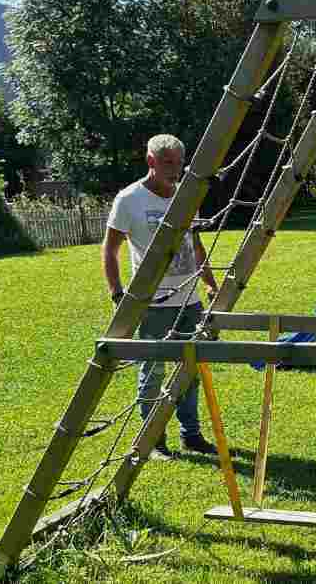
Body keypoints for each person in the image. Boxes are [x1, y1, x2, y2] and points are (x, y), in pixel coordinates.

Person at [103, 134, 219, 460]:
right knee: (152, 372)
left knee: (190, 369)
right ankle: (153, 440)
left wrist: (210, 283)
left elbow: (195, 247)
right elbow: (110, 249)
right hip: (153, 304)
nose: (175, 169)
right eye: (167, 162)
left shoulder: (187, 196)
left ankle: (191, 435)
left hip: (189, 301)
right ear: (151, 161)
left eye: (179, 162)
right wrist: (117, 293)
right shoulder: (129, 200)